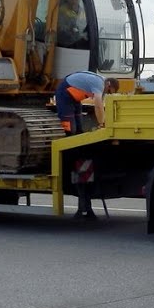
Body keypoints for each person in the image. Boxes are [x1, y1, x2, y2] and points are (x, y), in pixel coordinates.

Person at [54, 71, 120, 219]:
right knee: (69, 127)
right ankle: (69, 150)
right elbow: (97, 105)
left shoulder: (101, 84)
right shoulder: (98, 84)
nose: (107, 93)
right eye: (109, 91)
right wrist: (102, 124)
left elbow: (101, 105)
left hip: (74, 98)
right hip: (65, 93)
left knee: (79, 127)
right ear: (108, 85)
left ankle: (78, 145)